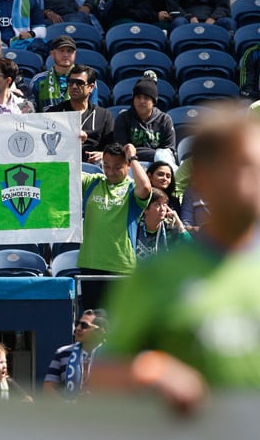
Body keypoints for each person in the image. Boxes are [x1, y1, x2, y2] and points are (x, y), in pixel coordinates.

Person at [101, 107, 260, 412]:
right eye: (244, 167)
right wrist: (151, 372)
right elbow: (102, 374)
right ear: (203, 176)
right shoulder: (156, 275)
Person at [78, 142, 152, 310]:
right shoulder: (93, 182)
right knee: (93, 323)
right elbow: (67, 172)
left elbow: (146, 187)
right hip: (91, 265)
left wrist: (132, 157)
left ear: (127, 165)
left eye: (117, 167)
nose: (111, 171)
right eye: (106, 166)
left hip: (121, 267)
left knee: (118, 324)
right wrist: (76, 145)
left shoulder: (133, 188)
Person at [47, 64, 113, 163]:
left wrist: (104, 154)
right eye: (71, 82)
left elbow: (113, 148)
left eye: (79, 83)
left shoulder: (103, 115)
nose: (74, 86)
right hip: (62, 164)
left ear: (91, 87)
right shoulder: (54, 113)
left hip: (93, 167)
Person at [112, 72, 176, 163]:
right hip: (130, 165)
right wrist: (154, 154)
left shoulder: (165, 120)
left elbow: (169, 152)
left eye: (146, 98)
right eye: (138, 97)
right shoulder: (123, 119)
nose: (141, 101)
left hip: (158, 166)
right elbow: (122, 151)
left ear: (153, 101)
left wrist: (138, 152)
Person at [43, 310, 107, 399]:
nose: (78, 328)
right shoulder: (62, 353)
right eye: (77, 324)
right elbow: (48, 387)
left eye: (84, 325)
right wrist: (67, 406)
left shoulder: (113, 357)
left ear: (99, 331)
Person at [30, 35, 97, 113]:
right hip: (47, 124)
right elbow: (31, 113)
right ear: (52, 53)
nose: (65, 55)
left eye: (69, 51)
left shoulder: (87, 79)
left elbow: (92, 112)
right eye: (61, 51)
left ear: (75, 54)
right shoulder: (38, 80)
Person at [135, 187, 190, 260]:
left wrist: (179, 223)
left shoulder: (170, 229)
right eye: (157, 205)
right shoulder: (135, 229)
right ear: (145, 209)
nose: (162, 209)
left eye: (164, 204)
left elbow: (190, 247)